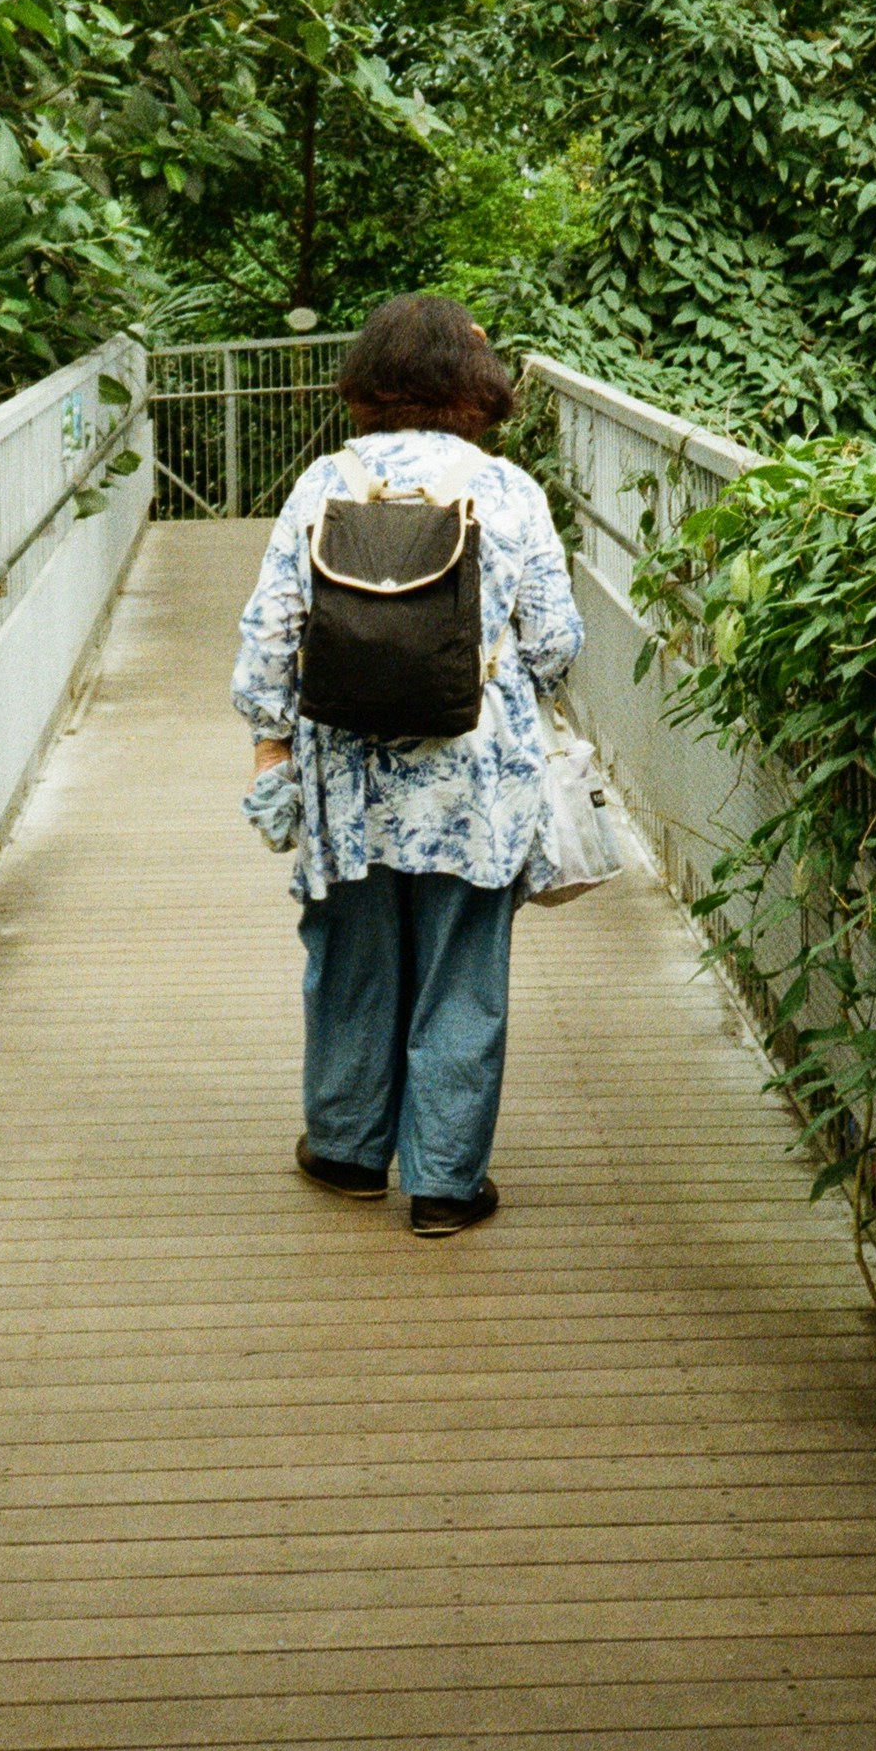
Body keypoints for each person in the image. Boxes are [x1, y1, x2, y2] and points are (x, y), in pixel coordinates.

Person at [230, 294, 584, 1238]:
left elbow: (270, 636)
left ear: (371, 377)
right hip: (476, 781)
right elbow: (554, 644)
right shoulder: (508, 493)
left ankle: (347, 1154)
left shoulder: (326, 483)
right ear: (474, 386)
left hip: (350, 775)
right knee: (462, 975)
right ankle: (444, 1186)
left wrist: (271, 744)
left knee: (350, 960)